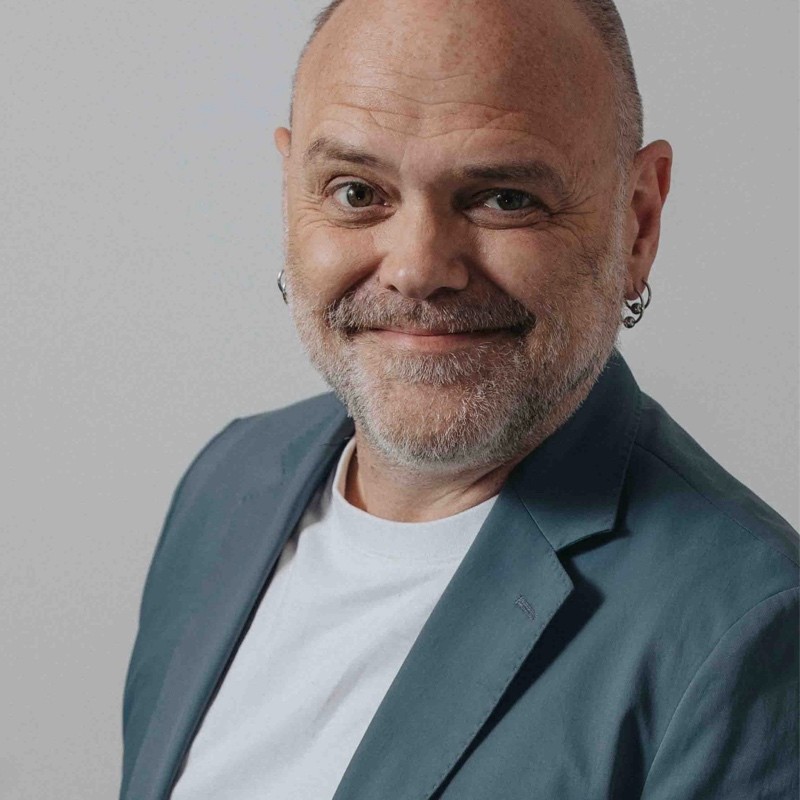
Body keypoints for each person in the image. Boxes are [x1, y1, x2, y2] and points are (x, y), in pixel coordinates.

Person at [119, 1, 799, 798]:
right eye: (355, 191)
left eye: (504, 197)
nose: (416, 268)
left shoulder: (743, 629)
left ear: (638, 223)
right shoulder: (226, 480)